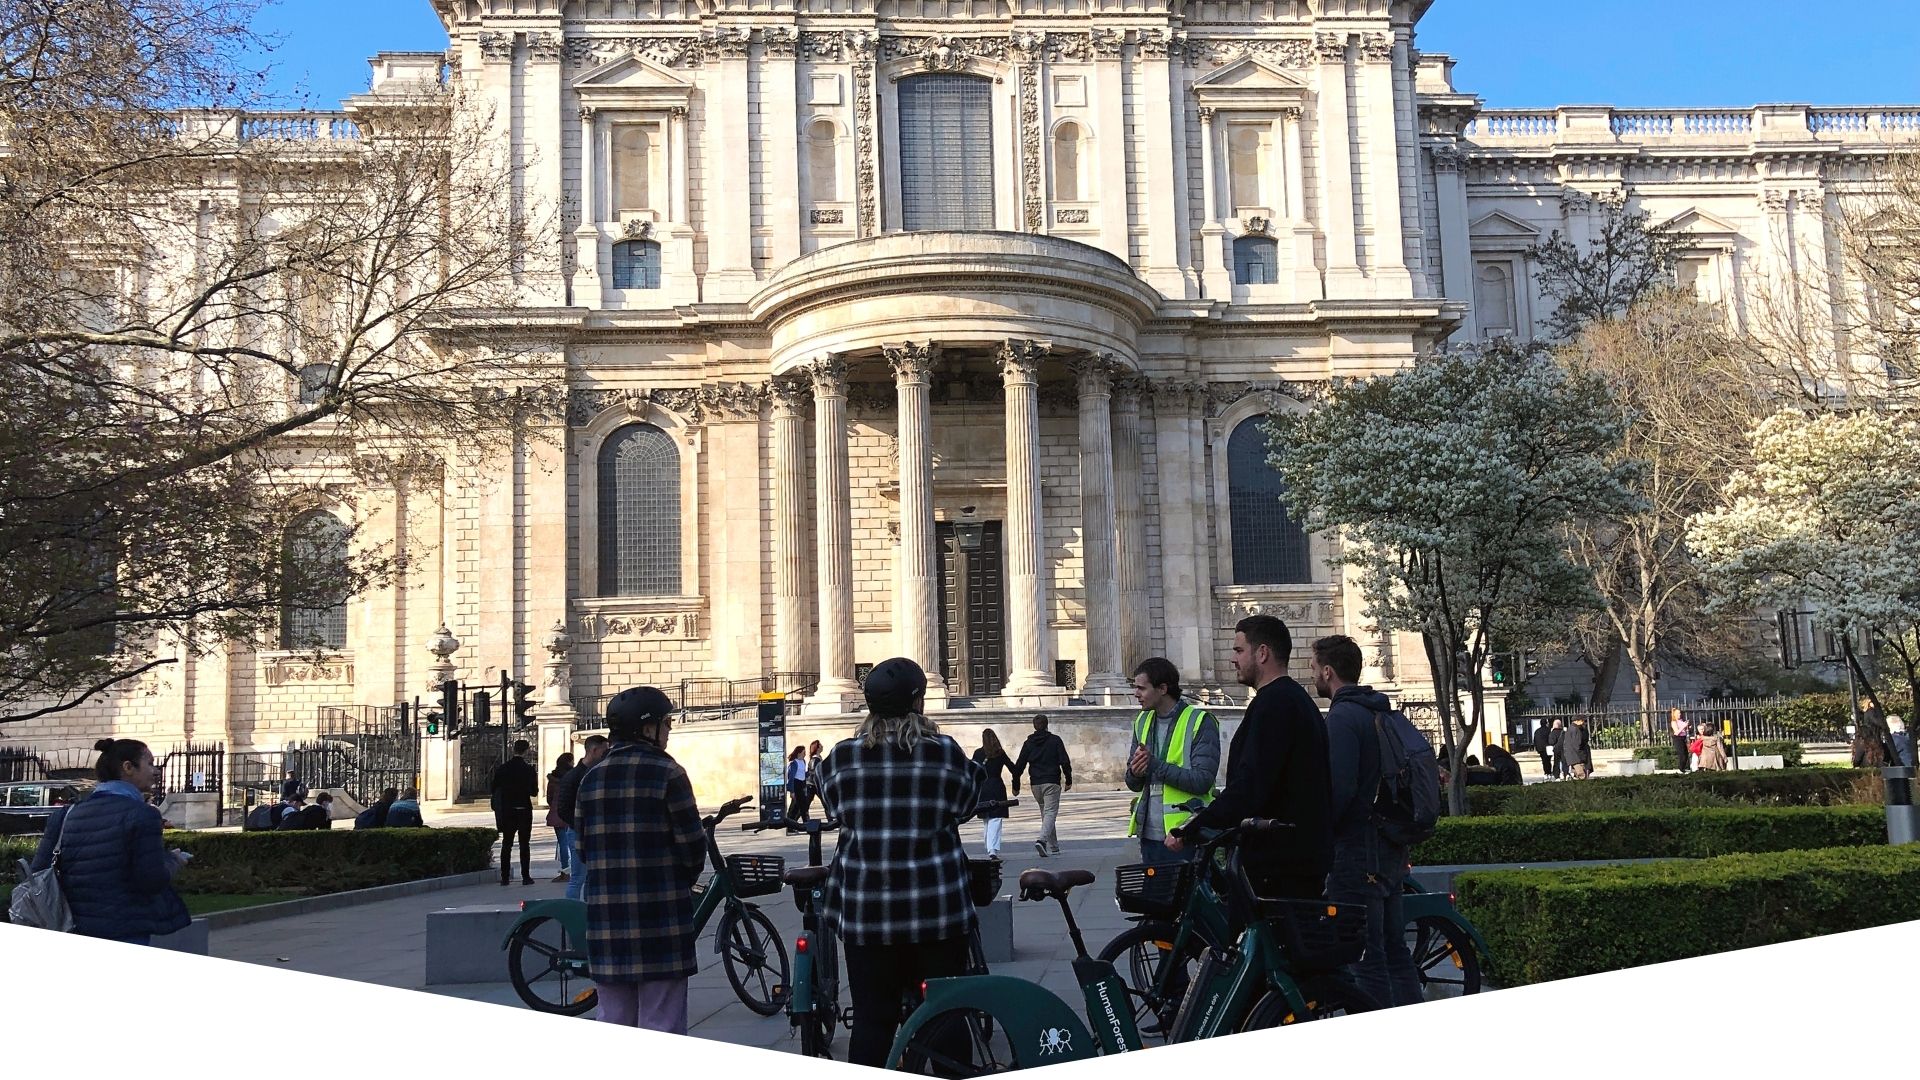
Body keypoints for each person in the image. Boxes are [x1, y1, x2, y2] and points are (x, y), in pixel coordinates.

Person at [814, 657, 986, 1069]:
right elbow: (966, 806)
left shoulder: (841, 757)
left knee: (872, 1021)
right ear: (918, 702)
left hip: (866, 914)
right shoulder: (944, 753)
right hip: (936, 911)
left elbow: (834, 809)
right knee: (945, 1017)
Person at [575, 687, 707, 1033]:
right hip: (660, 919)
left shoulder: (590, 780)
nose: (669, 730)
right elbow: (693, 848)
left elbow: (582, 850)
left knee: (613, 1019)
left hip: (606, 921)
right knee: (662, 1021)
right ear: (648, 729)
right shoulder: (668, 773)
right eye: (666, 723)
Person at [1175, 615, 1332, 900]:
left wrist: (1194, 827)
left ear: (1262, 653)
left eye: (1238, 650)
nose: (1233, 659)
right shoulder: (1291, 699)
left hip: (1281, 864)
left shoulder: (1275, 704)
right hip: (1291, 857)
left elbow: (1252, 783)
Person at [1312, 634, 1421, 1009]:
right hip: (1388, 847)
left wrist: (1318, 834)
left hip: (1358, 852)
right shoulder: (1379, 710)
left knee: (1365, 957)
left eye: (1314, 668)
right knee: (1395, 950)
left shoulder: (1343, 718)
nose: (1313, 676)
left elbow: (1338, 791)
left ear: (1328, 671)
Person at [29, 739, 191, 946]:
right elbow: (151, 879)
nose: (156, 771)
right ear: (128, 767)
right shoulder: (143, 815)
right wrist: (174, 860)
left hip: (71, 926)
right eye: (150, 763)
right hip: (124, 927)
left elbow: (38, 873)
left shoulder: (66, 814)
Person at [1124, 656, 1220, 867]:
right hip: (1149, 837)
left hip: (1185, 835)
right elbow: (1132, 782)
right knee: (1153, 899)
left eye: (1142, 688)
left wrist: (1154, 765)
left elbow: (1202, 780)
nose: (1136, 694)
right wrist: (1135, 773)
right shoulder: (1142, 720)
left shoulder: (1200, 722)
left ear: (1162, 689)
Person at [555, 735, 611, 902]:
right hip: (578, 832)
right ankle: (573, 915)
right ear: (594, 750)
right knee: (578, 878)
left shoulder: (597, 772)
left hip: (592, 831)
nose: (607, 753)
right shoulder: (573, 776)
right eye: (604, 750)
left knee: (590, 879)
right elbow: (563, 808)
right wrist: (580, 824)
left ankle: (588, 914)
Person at [1010, 713, 1072, 858]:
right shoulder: (1055, 740)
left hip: (1036, 783)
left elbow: (1020, 764)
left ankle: (1054, 846)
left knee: (1046, 813)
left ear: (1034, 726)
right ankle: (1042, 840)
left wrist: (1016, 785)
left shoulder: (1029, 743)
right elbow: (1064, 761)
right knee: (1050, 813)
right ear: (1047, 724)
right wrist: (1068, 779)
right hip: (1051, 781)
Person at [490, 739, 539, 886]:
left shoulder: (502, 768)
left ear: (513, 749)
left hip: (507, 809)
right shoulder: (529, 769)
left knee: (507, 843)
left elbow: (494, 788)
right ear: (527, 751)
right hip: (523, 808)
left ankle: (505, 877)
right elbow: (534, 792)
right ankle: (526, 876)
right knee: (524, 844)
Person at [972, 729, 1012, 858]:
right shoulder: (999, 753)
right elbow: (1013, 768)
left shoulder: (978, 753)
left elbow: (973, 771)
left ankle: (989, 846)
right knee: (996, 818)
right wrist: (1015, 784)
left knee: (987, 819)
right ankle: (992, 848)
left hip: (983, 787)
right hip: (997, 786)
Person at [546, 752, 576, 883]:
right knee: (573, 843)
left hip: (557, 813)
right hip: (571, 812)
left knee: (563, 843)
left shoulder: (553, 779)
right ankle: (575, 870)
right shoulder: (573, 776)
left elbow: (549, 798)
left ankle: (565, 871)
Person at [785, 745, 812, 821]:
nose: (805, 754)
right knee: (795, 807)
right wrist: (792, 791)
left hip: (802, 785)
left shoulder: (803, 761)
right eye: (803, 752)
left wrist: (809, 773)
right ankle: (791, 823)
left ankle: (805, 822)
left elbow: (803, 774)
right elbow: (791, 778)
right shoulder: (794, 763)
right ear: (799, 753)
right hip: (796, 785)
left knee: (802, 806)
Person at [1669, 708, 1693, 774]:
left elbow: (1684, 731)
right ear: (1674, 714)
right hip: (1678, 738)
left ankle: (1685, 767)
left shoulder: (1681, 721)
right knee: (1682, 754)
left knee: (1685, 753)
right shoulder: (1674, 722)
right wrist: (1684, 726)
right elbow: (1676, 732)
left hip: (1683, 738)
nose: (1679, 715)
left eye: (1680, 713)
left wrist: (1688, 727)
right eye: (1678, 713)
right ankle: (1681, 768)